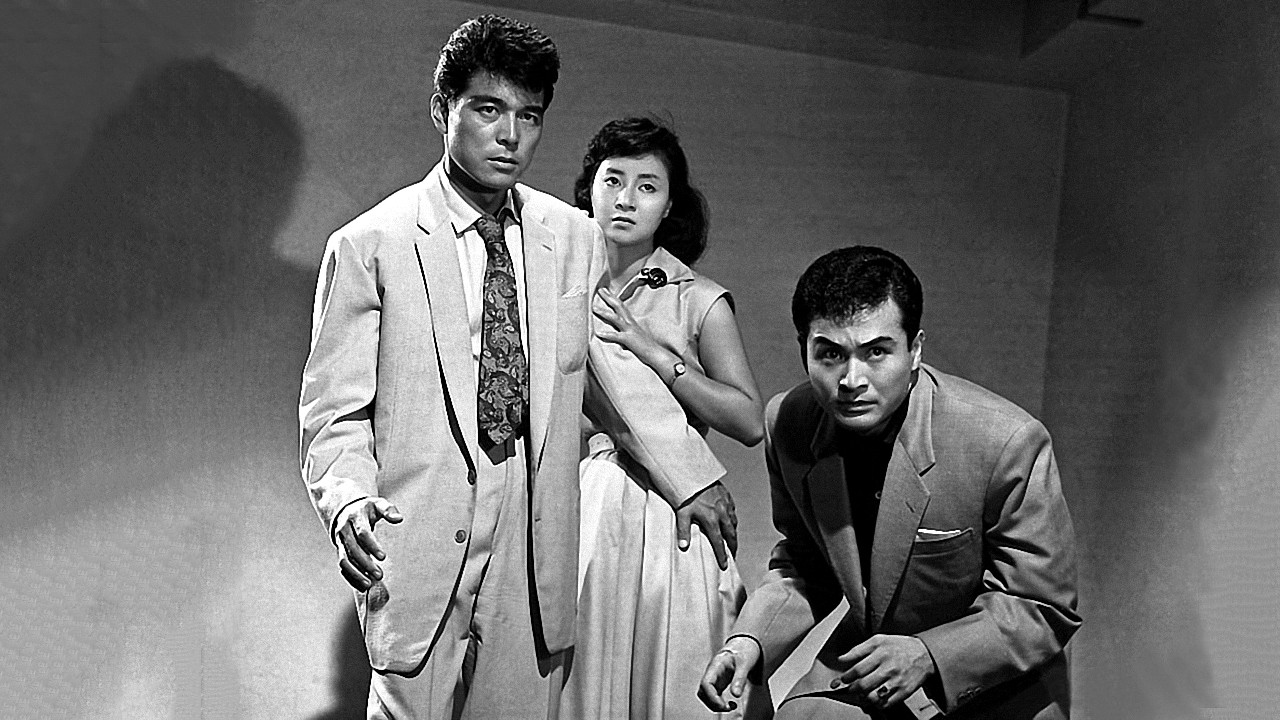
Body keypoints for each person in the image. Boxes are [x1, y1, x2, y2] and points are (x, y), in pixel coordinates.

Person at [298, 15, 604, 720]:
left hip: (534, 540)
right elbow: (334, 413)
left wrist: (690, 478)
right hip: (418, 534)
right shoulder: (372, 243)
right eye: (489, 110)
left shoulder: (573, 237)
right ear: (444, 110)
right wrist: (347, 502)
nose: (510, 136)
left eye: (530, 116)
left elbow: (605, 378)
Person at [699, 246, 1081, 719]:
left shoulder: (1005, 440)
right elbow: (806, 563)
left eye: (876, 352)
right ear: (804, 349)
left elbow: (1044, 605)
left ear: (915, 350)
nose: (851, 380)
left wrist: (928, 654)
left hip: (994, 683)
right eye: (830, 354)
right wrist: (746, 642)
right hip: (870, 669)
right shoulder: (789, 422)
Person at [559, 117, 765, 719]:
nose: (626, 199)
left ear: (670, 204)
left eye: (647, 186)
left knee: (676, 688)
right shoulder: (558, 289)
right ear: (589, 190)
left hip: (675, 514)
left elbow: (749, 421)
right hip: (589, 507)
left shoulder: (700, 298)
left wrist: (659, 356)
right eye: (613, 180)